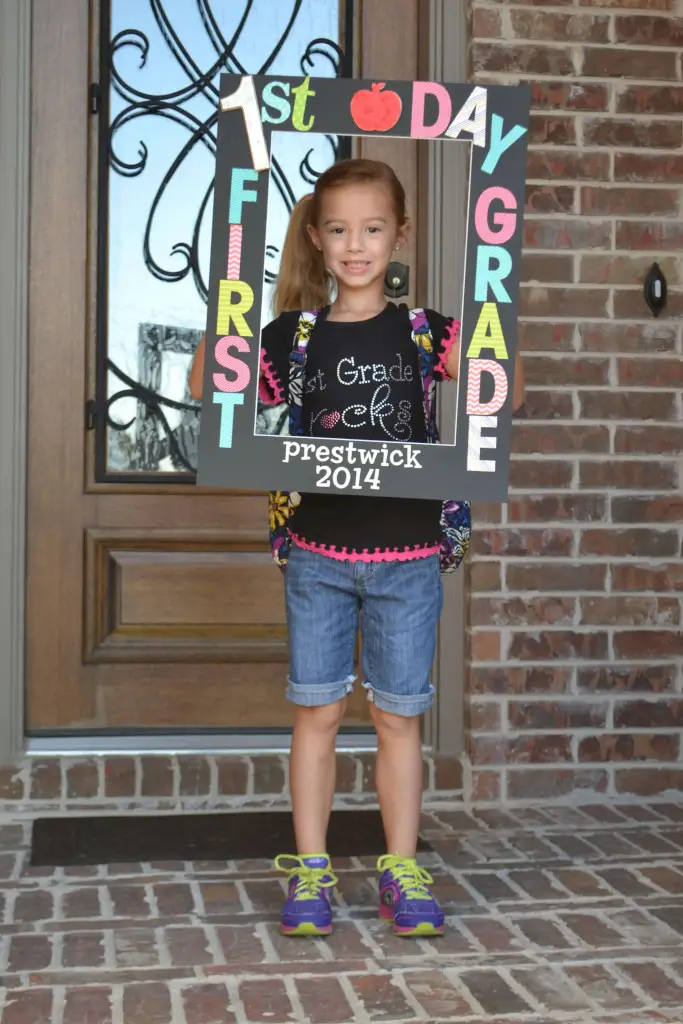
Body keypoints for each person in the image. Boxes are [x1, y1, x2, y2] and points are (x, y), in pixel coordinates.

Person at [190, 158, 525, 939]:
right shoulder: (293, 339)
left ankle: (400, 868)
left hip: (407, 559)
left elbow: (496, 386)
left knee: (397, 719)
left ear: (398, 236)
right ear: (315, 237)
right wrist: (228, 317)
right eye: (338, 230)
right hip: (318, 553)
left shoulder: (425, 332)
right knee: (316, 713)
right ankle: (310, 872)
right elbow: (215, 381)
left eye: (372, 229)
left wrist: (490, 344)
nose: (354, 245)